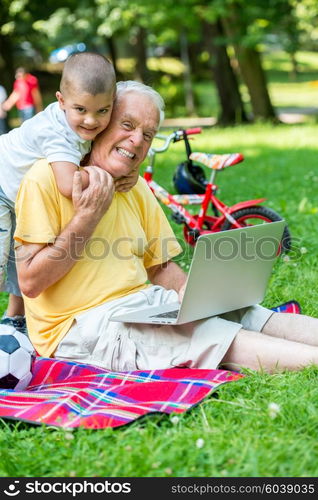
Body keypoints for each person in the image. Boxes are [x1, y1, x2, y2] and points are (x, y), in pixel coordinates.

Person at [14, 81, 318, 373]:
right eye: (128, 125)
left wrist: (191, 293)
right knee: (207, 334)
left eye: (148, 134)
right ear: (101, 122)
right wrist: (87, 217)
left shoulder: (135, 188)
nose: (137, 140)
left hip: (142, 304)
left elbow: (159, 268)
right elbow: (30, 282)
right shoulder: (45, 178)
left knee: (249, 314)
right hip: (80, 326)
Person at [0, 53, 137, 334]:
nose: (90, 121)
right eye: (81, 110)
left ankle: (15, 318)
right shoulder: (56, 132)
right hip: (1, 188)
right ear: (61, 101)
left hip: (18, 193)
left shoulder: (78, 122)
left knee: (24, 253)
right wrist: (110, 175)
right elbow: (68, 184)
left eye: (103, 111)